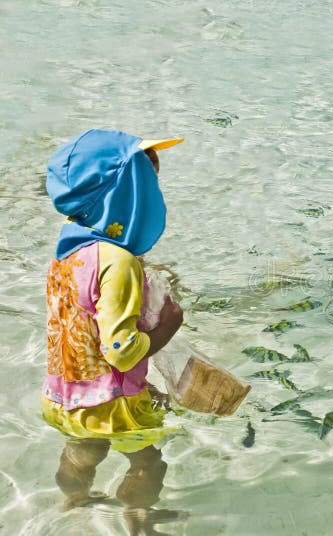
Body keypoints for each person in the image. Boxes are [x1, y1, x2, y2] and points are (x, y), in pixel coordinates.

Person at [41, 129, 185, 535]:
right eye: (147, 183)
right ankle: (138, 518)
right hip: (110, 400)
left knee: (83, 449)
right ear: (126, 197)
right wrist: (170, 325)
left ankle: (73, 499)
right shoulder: (117, 261)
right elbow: (121, 350)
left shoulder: (68, 250)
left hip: (64, 393)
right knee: (149, 463)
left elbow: (80, 326)